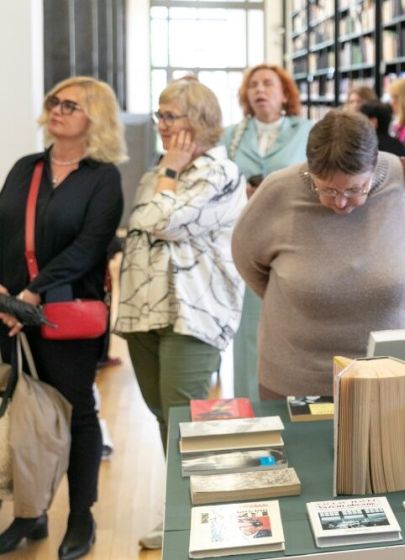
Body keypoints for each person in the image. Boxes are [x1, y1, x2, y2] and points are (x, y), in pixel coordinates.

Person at [115, 79, 246, 548]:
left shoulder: (219, 171)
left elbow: (159, 220)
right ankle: (184, 508)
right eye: (161, 115)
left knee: (186, 417)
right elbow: (137, 225)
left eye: (171, 116)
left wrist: (169, 173)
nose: (162, 124)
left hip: (195, 312)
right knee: (163, 416)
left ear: (201, 120)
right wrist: (166, 174)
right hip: (143, 310)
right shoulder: (161, 169)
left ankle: (204, 517)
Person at [232, 110, 405, 397]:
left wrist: (389, 286)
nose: (341, 203)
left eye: (355, 189)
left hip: (393, 374)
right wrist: (303, 295)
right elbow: (247, 260)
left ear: (374, 166)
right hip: (297, 379)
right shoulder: (278, 190)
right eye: (328, 190)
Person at [0, 76, 125, 559]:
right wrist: (6, 296)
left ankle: (80, 516)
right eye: (55, 101)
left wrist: (32, 295)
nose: (57, 109)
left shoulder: (103, 177)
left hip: (64, 314)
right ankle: (30, 512)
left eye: (71, 105)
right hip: (11, 312)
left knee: (77, 412)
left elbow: (90, 247)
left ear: (95, 118)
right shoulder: (25, 168)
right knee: (23, 409)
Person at [222, 64, 313, 403]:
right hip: (245, 240)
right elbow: (218, 181)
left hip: (294, 239)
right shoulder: (230, 135)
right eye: (253, 85)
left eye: (268, 84)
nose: (259, 90)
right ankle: (250, 409)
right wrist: (239, 192)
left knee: (294, 326)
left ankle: (295, 407)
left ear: (285, 94)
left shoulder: (307, 131)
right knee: (248, 327)